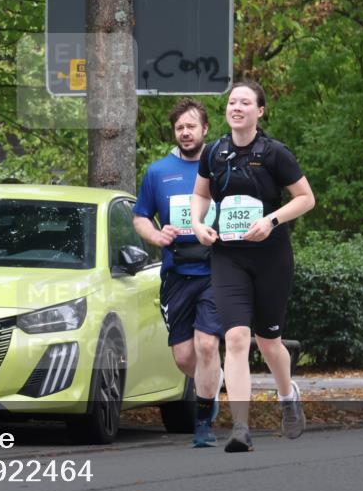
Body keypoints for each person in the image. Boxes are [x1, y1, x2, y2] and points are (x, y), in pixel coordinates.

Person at [190, 80, 315, 453]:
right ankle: (240, 427)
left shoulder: (275, 153)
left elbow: (306, 198)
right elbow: (201, 194)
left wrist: (272, 221)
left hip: (271, 257)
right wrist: (198, 224)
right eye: (232, 102)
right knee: (236, 339)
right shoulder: (213, 152)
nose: (237, 107)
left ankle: (287, 395)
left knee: (269, 341)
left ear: (260, 111)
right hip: (228, 256)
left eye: (245, 102)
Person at [133, 98, 224, 447]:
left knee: (205, 344)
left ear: (205, 129)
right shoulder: (158, 172)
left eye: (191, 126)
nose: (185, 132)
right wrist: (156, 234)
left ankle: (203, 424)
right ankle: (211, 386)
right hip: (175, 274)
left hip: (214, 271)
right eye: (180, 128)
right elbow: (140, 215)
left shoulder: (218, 168)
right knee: (185, 356)